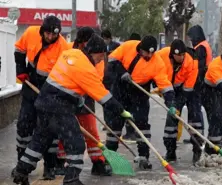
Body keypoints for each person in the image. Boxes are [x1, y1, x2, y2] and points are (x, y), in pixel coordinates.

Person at [12, 34, 133, 185]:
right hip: (59, 107)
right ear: (93, 51)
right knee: (76, 144)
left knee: (40, 141)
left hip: (44, 102)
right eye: (101, 56)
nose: (102, 60)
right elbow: (103, 96)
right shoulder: (86, 69)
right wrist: (121, 110)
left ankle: (21, 171)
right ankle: (71, 179)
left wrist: (77, 99)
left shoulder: (71, 53)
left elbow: (67, 79)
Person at [105, 36, 177, 169]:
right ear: (140, 49)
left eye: (152, 53)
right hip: (121, 88)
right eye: (146, 52)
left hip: (140, 91)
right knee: (115, 123)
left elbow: (164, 85)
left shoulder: (157, 63)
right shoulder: (128, 46)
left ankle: (144, 156)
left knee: (142, 123)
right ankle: (109, 157)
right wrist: (122, 72)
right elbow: (112, 60)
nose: (149, 55)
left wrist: (171, 102)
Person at [13, 15, 70, 180]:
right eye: (47, 34)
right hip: (31, 86)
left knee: (49, 129)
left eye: (54, 35)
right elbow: (19, 50)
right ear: (42, 30)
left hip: (50, 90)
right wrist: (20, 70)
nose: (50, 37)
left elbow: (66, 75)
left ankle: (50, 166)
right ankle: (21, 164)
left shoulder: (63, 48)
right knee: (24, 125)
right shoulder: (31, 33)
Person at [56, 27, 112, 176]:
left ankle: (97, 161)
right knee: (65, 130)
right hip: (67, 96)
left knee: (91, 130)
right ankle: (61, 160)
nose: (89, 45)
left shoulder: (96, 55)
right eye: (87, 42)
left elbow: (96, 79)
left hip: (86, 96)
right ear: (80, 42)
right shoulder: (67, 50)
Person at [156, 39, 203, 163]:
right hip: (172, 88)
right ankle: (170, 151)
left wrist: (177, 105)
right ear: (172, 54)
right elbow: (154, 72)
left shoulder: (192, 61)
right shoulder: (161, 56)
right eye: (178, 55)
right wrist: (170, 103)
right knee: (171, 118)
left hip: (191, 87)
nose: (181, 57)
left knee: (195, 116)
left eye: (183, 55)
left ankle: (197, 150)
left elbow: (187, 90)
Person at [184, 25, 213, 144]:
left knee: (195, 110)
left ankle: (198, 136)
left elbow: (198, 67)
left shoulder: (200, 48)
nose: (191, 41)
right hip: (203, 81)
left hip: (199, 82)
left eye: (191, 38)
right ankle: (195, 136)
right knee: (196, 110)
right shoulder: (204, 45)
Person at [120, 32, 142, 143]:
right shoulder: (142, 48)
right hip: (139, 85)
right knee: (138, 109)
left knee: (127, 109)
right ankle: (138, 132)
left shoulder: (125, 46)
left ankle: (130, 133)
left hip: (126, 83)